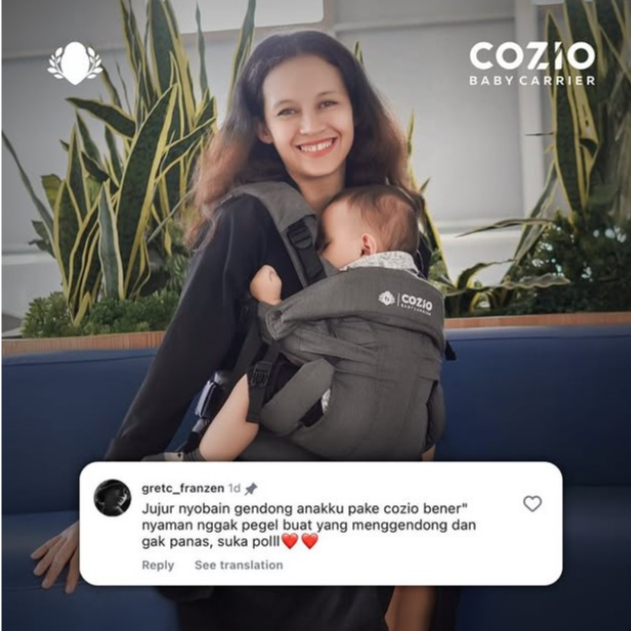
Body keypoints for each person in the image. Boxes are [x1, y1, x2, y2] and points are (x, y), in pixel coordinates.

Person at [30, 30, 454, 631]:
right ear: (263, 128)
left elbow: (414, 356)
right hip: (259, 472)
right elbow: (179, 366)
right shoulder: (246, 222)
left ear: (355, 111)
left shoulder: (398, 220)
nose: (312, 125)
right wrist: (109, 501)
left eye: (327, 103)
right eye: (288, 110)